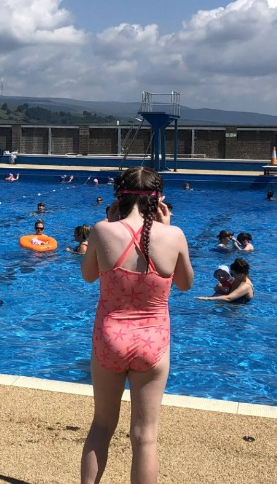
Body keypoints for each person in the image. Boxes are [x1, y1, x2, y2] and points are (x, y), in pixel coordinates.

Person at [80, 167, 193, 484]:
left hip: (109, 338)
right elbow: (185, 283)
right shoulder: (174, 235)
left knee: (101, 425)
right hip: (152, 343)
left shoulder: (102, 230)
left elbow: (88, 276)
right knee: (145, 437)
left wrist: (110, 224)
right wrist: (167, 228)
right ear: (159, 202)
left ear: (118, 198)